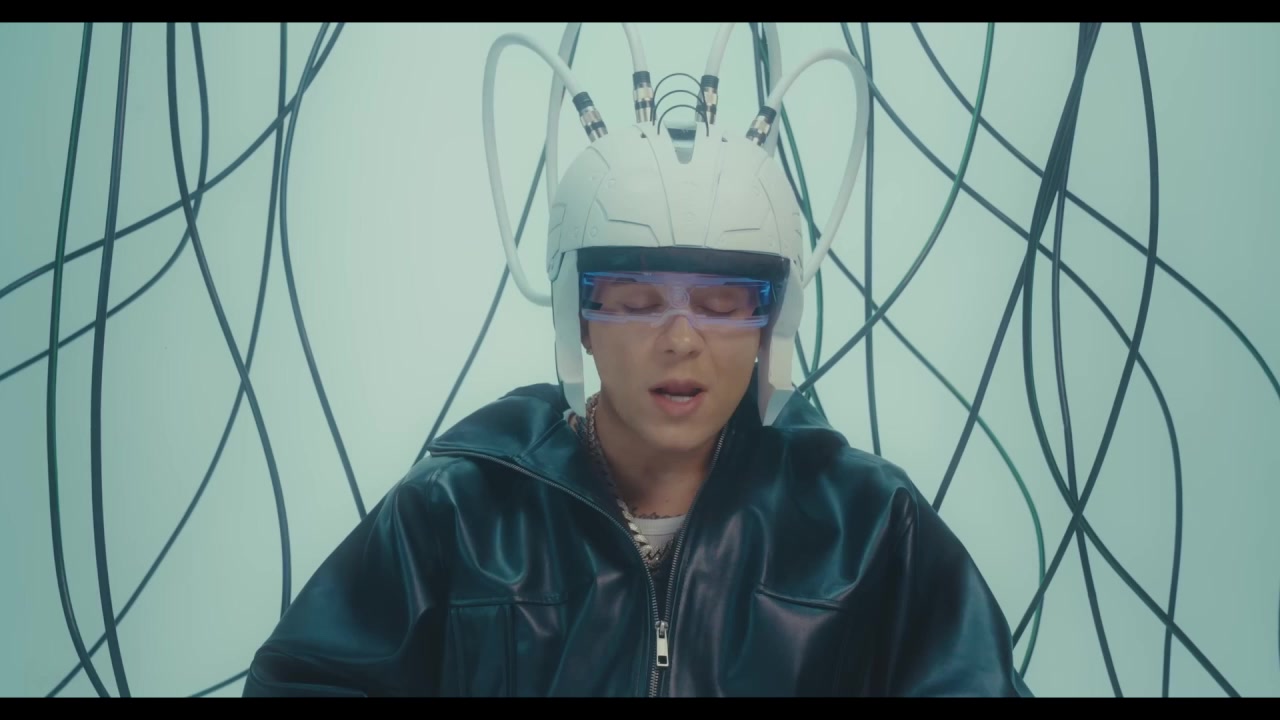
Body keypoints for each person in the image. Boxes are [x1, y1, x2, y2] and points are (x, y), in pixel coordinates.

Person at [241, 29, 1032, 697]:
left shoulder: (867, 526)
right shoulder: (460, 512)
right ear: (578, 318)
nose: (680, 339)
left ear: (773, 323)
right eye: (635, 298)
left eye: (723, 303)